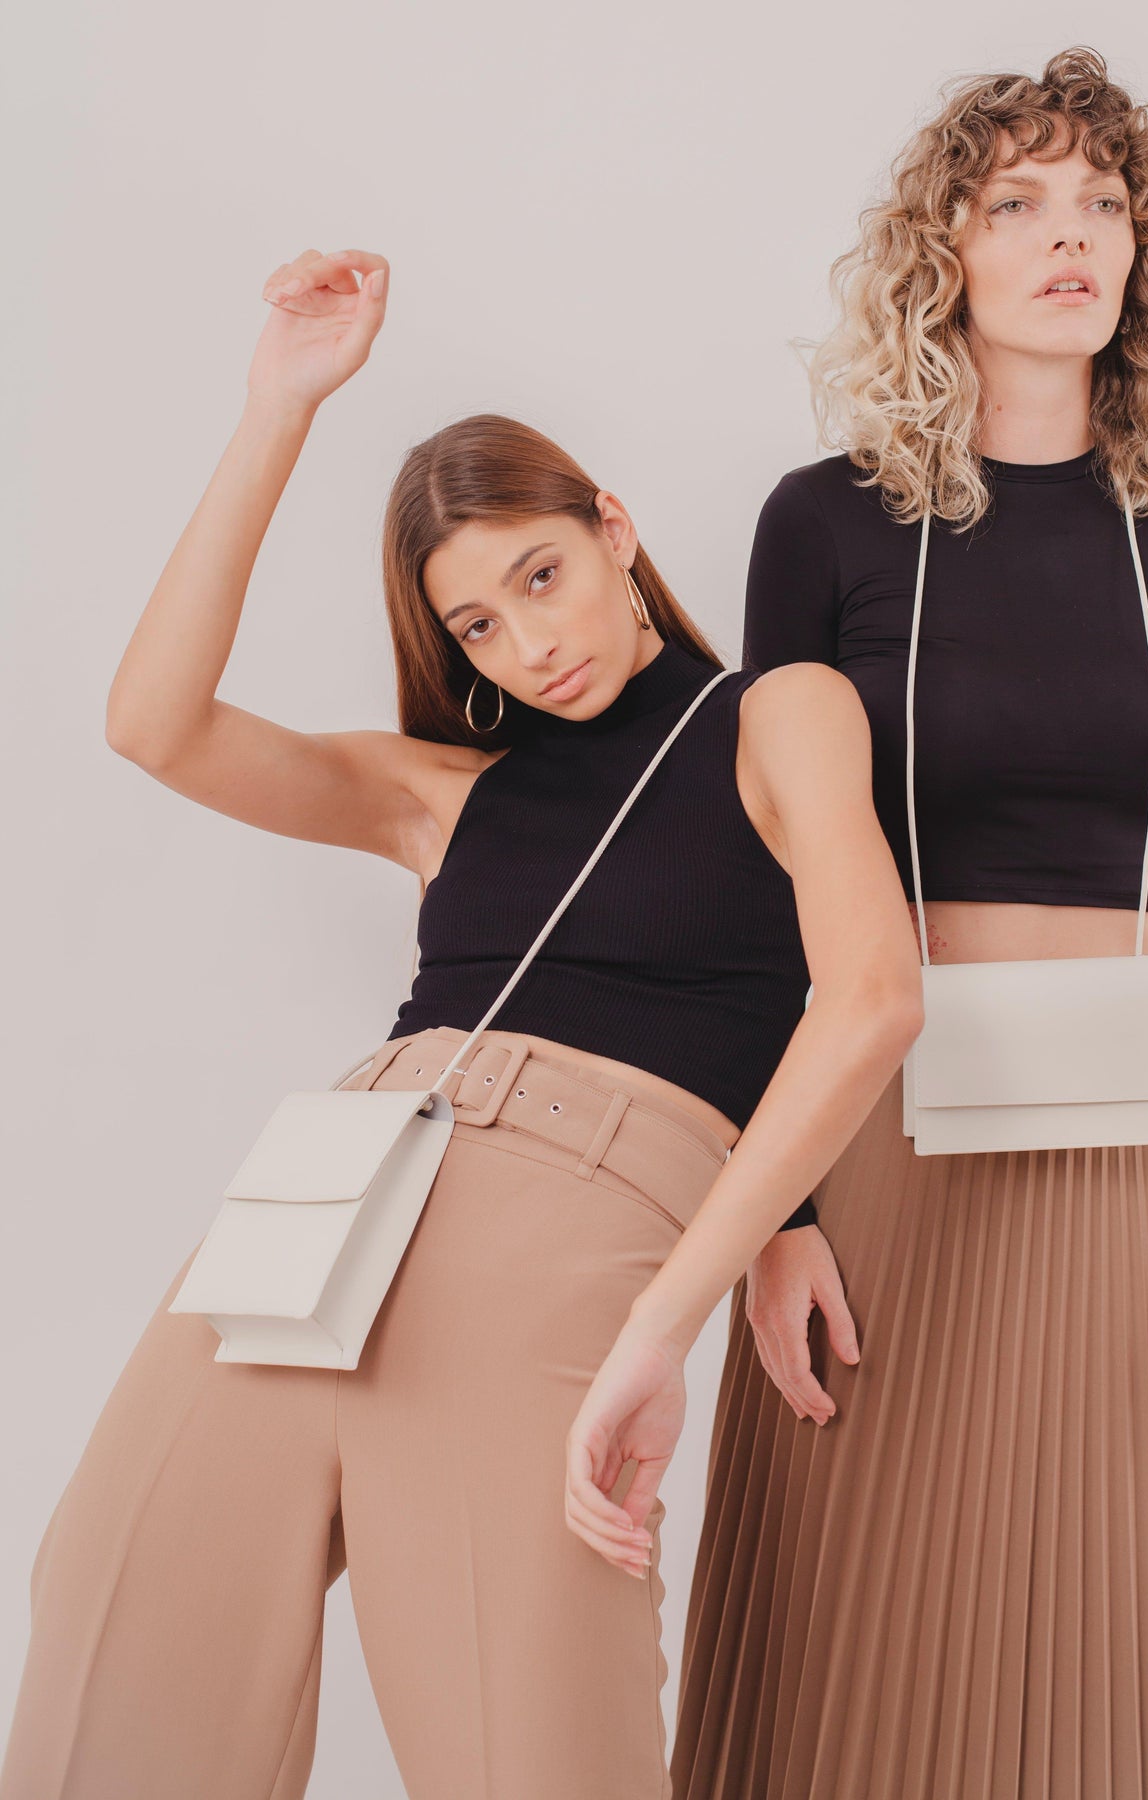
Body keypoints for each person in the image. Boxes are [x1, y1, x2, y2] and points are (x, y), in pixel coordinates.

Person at [0, 247, 922, 1800]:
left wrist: (678, 1308)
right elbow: (152, 724)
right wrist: (279, 406)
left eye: (540, 577)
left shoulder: (778, 714)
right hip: (326, 1198)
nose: (528, 644)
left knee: (528, 1735)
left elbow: (874, 1000)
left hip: (573, 1221)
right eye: (478, 627)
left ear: (614, 528)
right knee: (115, 1633)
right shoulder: (444, 790)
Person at [672, 47, 1148, 1800]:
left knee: (1112, 1587)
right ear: (943, 249)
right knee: (858, 1574)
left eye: (1103, 203)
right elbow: (763, 881)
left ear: (1144, 253)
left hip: (1133, 1138)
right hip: (878, 1113)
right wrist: (776, 1211)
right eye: (1017, 201)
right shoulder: (826, 523)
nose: (1069, 235)